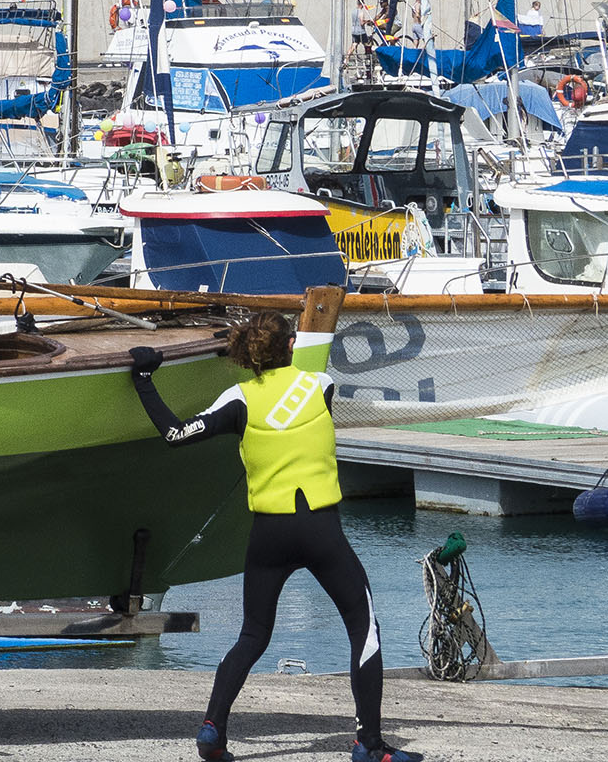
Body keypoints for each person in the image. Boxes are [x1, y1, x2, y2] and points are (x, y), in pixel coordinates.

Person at [128, 313, 422, 762]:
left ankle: (212, 730)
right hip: (321, 530)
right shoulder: (321, 384)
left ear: (248, 354)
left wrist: (145, 377)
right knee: (364, 630)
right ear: (289, 346)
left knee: (253, 635)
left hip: (269, 534)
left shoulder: (237, 400)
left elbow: (174, 434)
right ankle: (370, 745)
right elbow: (300, 384)